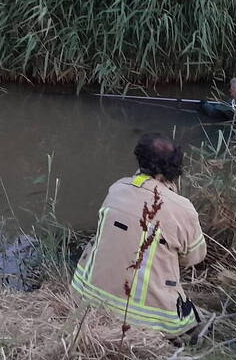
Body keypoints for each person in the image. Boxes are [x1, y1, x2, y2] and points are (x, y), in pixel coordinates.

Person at [72, 133, 207, 338]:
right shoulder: (182, 208)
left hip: (85, 300)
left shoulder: (116, 189)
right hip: (148, 320)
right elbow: (194, 258)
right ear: (175, 168)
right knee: (193, 322)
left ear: (140, 158)